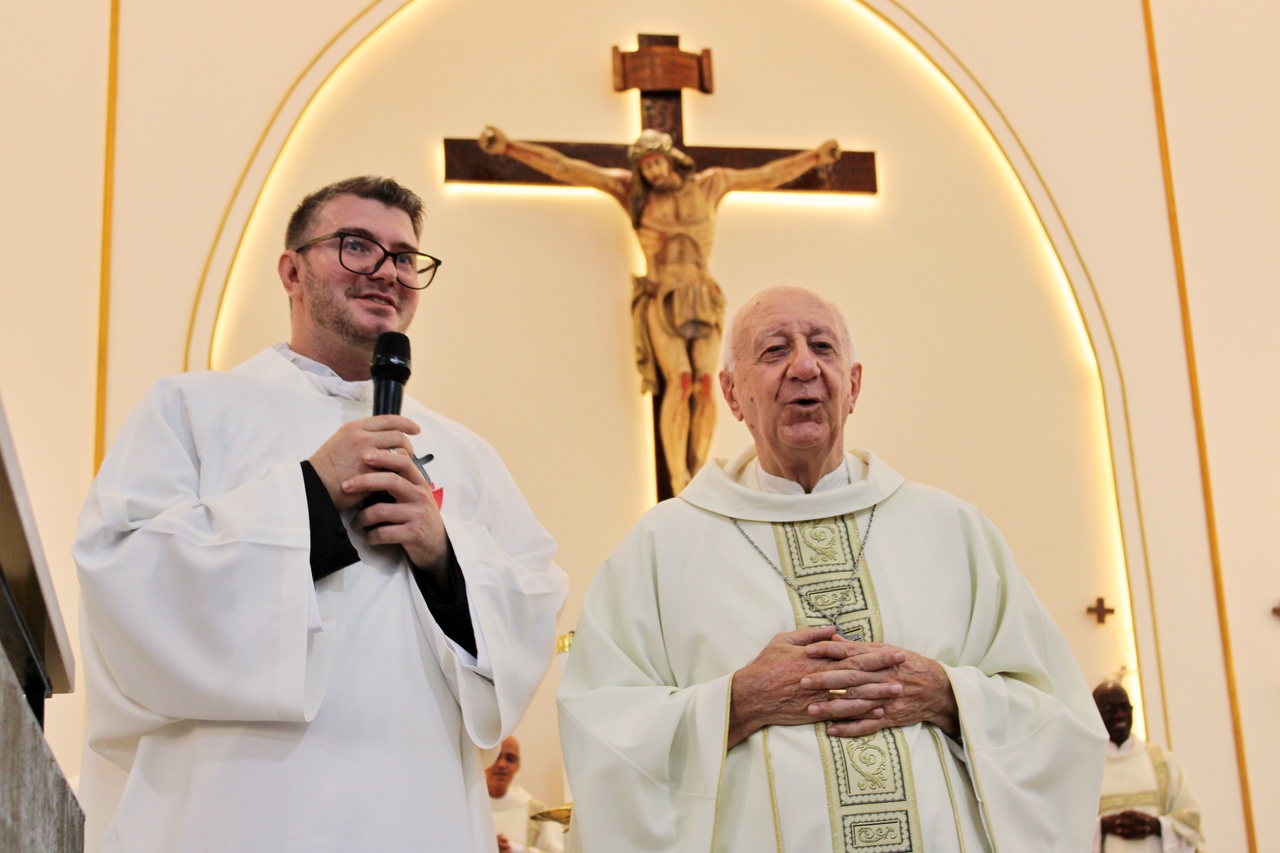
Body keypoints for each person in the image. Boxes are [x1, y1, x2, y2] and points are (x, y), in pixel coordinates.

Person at [74, 176, 568, 853]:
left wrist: (444, 556)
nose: (386, 272)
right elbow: (122, 578)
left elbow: (533, 599)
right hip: (240, 812)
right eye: (356, 245)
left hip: (415, 811)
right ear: (291, 271)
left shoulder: (467, 456)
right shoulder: (192, 409)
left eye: (404, 257)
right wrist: (310, 493)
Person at [557, 285, 1107, 852]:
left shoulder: (952, 529)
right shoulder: (660, 548)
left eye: (822, 347)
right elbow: (602, 729)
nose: (804, 367)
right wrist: (736, 702)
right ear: (732, 394)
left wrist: (948, 696)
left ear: (854, 385)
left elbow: (1060, 720)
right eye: (774, 350)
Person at [479, 126, 840, 494]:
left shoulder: (710, 186)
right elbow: (565, 167)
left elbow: (766, 176)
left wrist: (815, 157)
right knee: (681, 381)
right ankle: (679, 479)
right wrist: (509, 147)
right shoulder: (630, 193)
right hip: (662, 297)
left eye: (656, 163)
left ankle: (698, 469)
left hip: (702, 296)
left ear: (671, 159)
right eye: (646, 167)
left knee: (705, 383)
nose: (653, 172)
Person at [1093, 681, 1205, 851]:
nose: (1120, 715)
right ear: (1094, 714)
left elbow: (1191, 821)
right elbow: (1065, 828)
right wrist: (1102, 826)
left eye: (1125, 708)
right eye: (1110, 709)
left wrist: (1156, 826)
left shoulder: (1163, 762)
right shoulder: (1083, 769)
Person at [486, 735, 566, 853]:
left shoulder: (536, 811)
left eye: (510, 758)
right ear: (482, 761)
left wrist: (517, 849)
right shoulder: (467, 807)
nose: (502, 765)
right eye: (496, 757)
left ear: (518, 765)